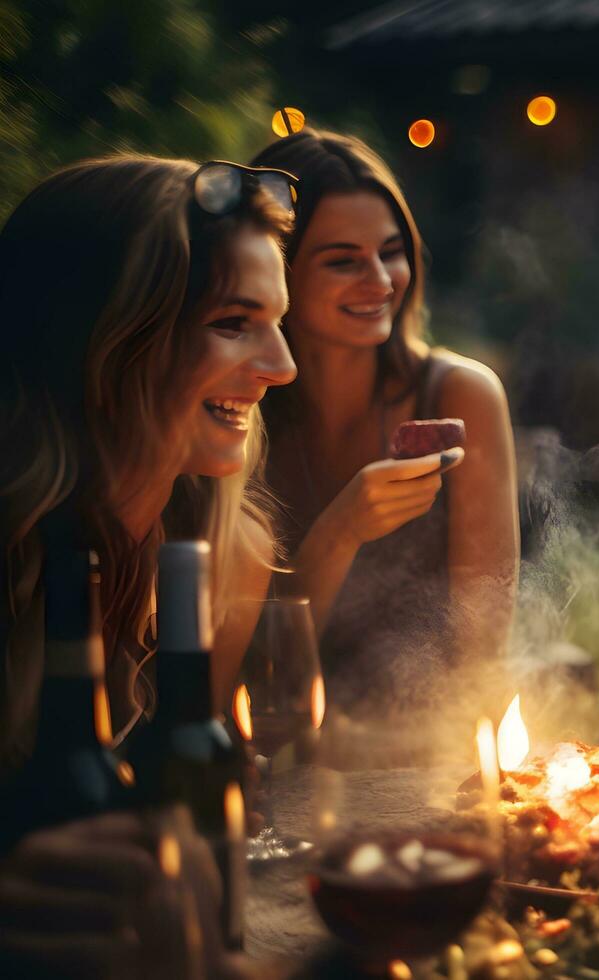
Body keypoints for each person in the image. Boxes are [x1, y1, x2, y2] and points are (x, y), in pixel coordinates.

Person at [0, 155, 299, 975]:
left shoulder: (227, 558)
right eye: (233, 322)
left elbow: (195, 816)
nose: (282, 366)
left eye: (278, 322)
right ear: (107, 338)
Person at [249, 131, 517, 721]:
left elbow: (482, 653)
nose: (381, 280)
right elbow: (253, 666)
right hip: (275, 747)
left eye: (391, 251)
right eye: (342, 260)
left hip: (422, 753)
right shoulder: (238, 408)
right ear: (274, 269)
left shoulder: (458, 396)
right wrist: (341, 530)